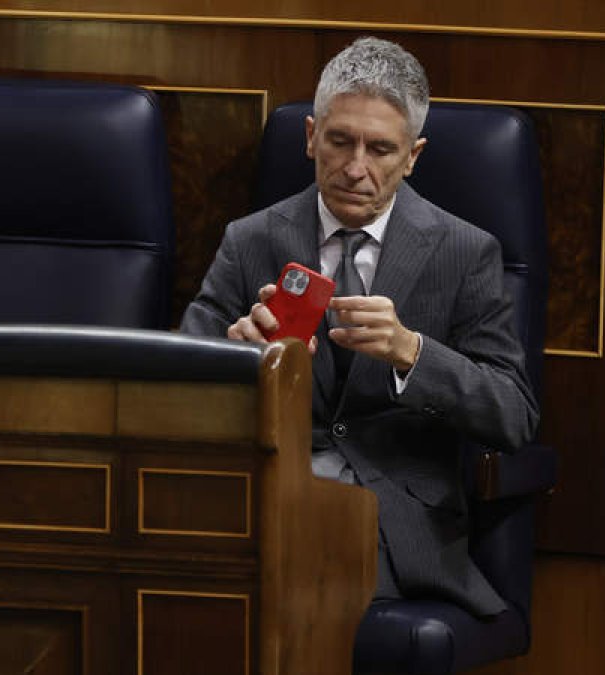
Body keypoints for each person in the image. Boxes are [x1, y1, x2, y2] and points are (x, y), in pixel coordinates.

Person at [180, 36, 539, 617]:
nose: (355, 169)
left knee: (284, 586)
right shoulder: (251, 240)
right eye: (340, 141)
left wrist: (411, 353)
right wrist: (235, 359)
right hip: (266, 494)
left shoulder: (465, 251)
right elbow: (175, 386)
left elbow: (514, 415)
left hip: (395, 518)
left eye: (380, 150)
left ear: (413, 156)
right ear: (310, 137)